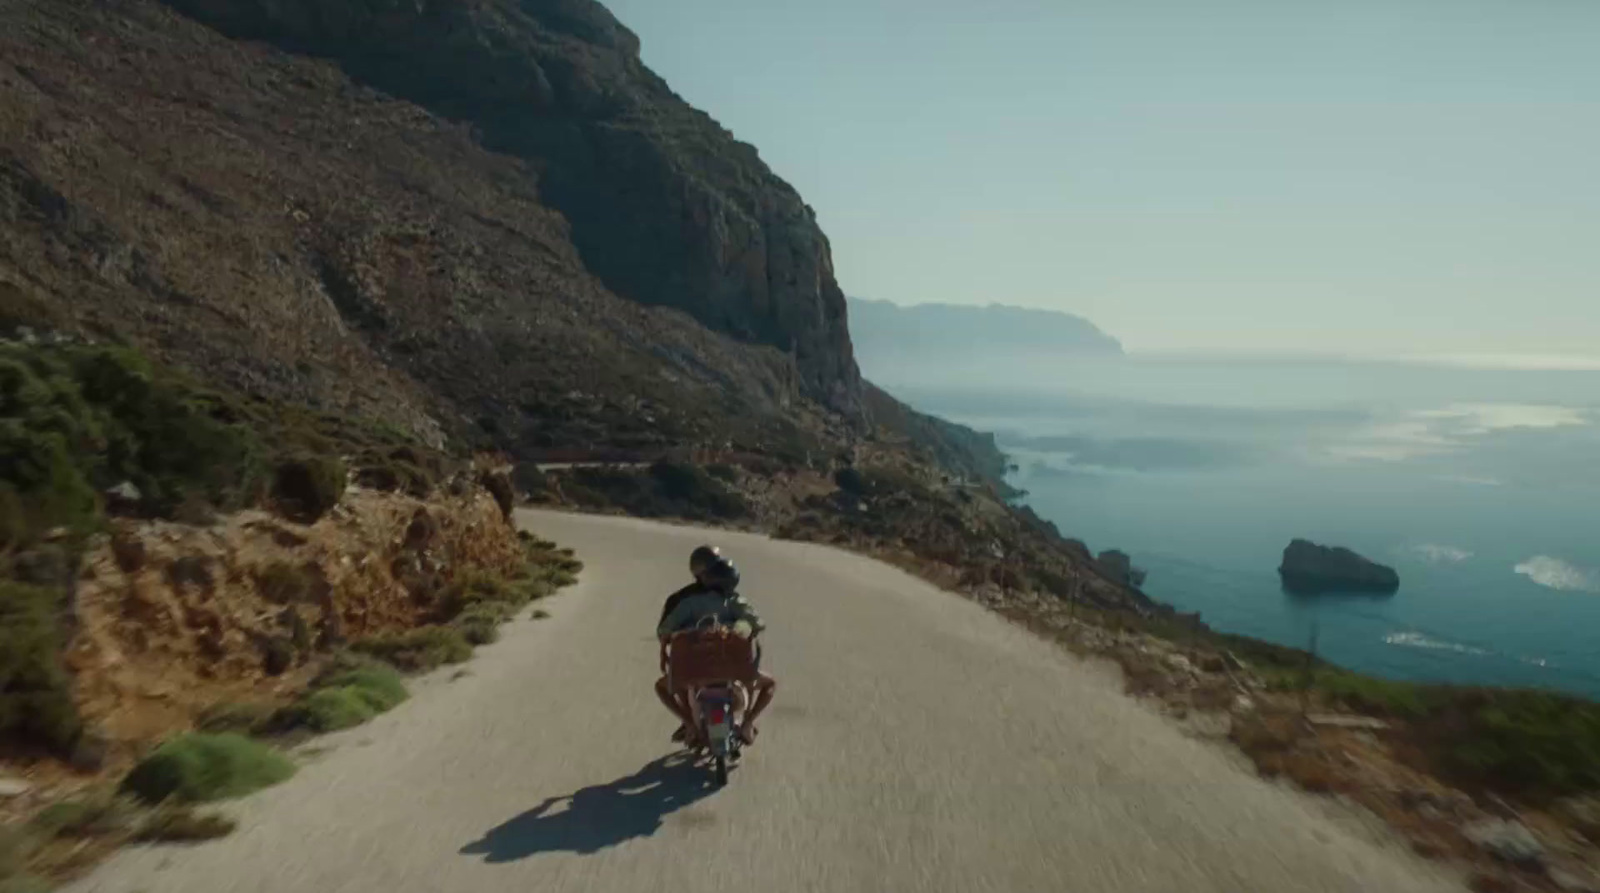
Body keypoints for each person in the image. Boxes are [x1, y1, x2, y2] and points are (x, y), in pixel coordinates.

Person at [655, 545, 777, 747]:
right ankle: (747, 723)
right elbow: (755, 623)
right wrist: (737, 628)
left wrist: (683, 633)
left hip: (692, 669)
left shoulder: (685, 601)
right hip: (733, 669)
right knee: (768, 682)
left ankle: (689, 724)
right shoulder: (734, 600)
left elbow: (664, 631)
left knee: (667, 683)